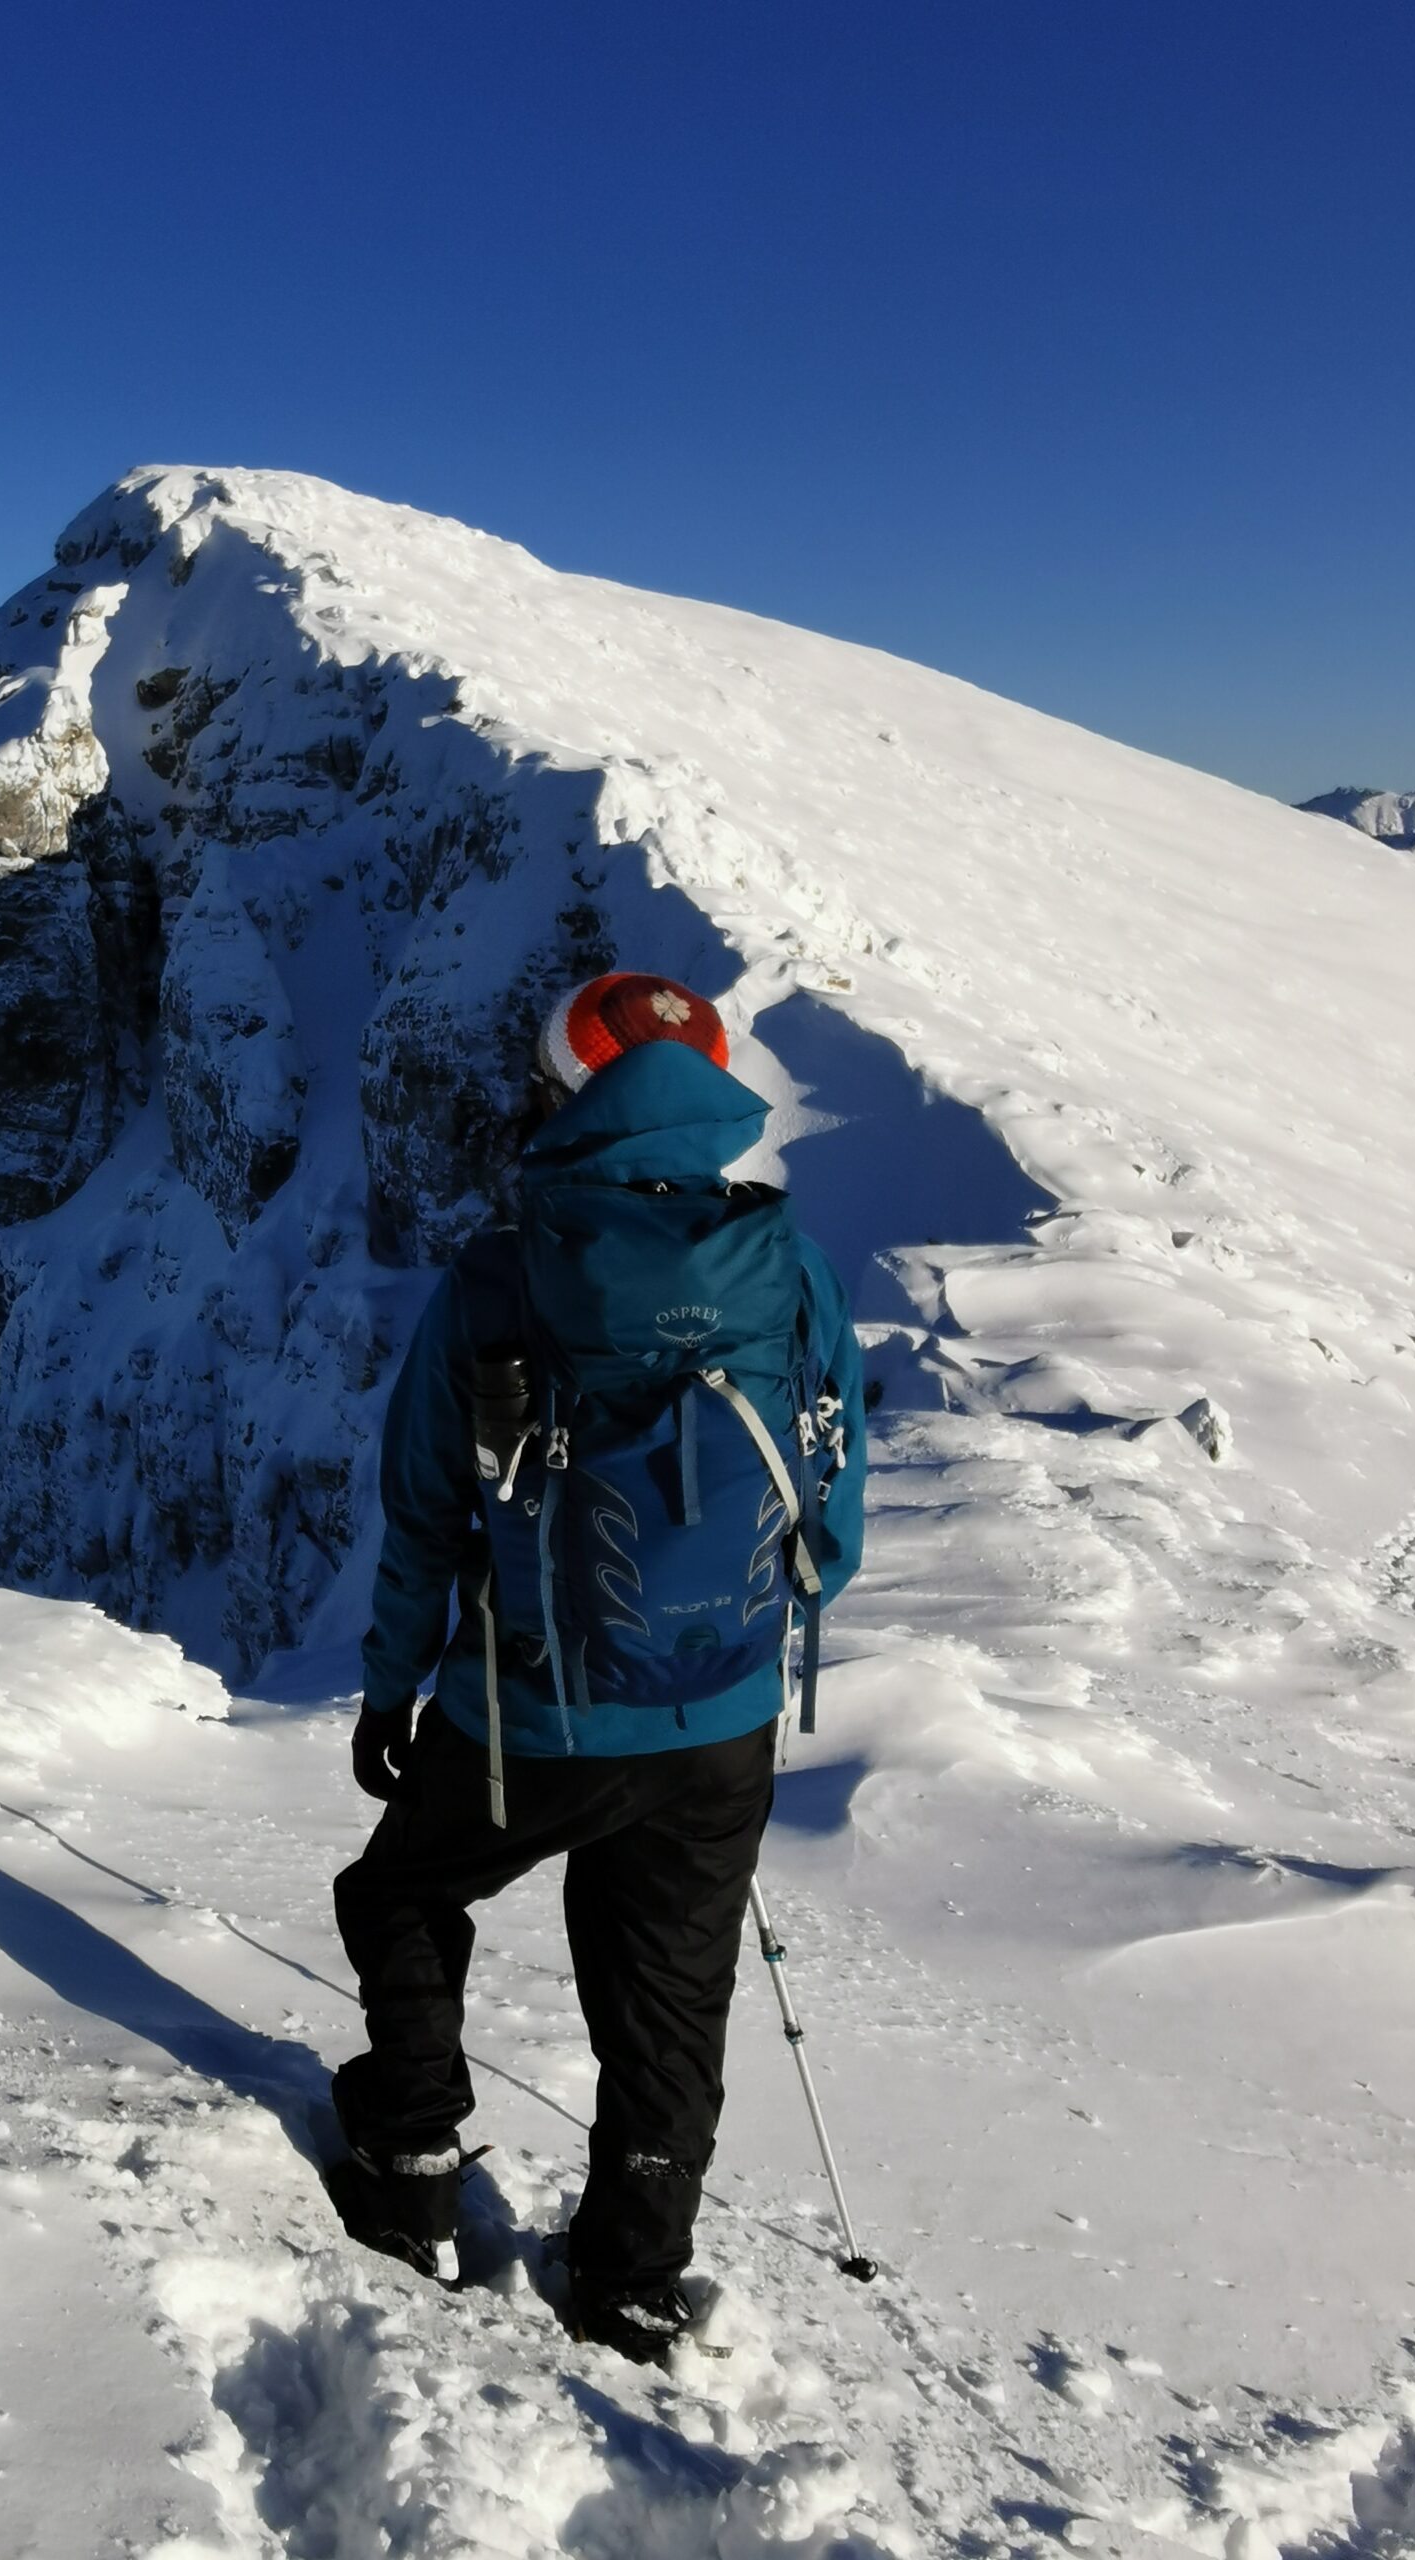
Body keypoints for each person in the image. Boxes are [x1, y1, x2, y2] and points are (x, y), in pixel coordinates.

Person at [327, 969, 867, 2363]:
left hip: (538, 1716)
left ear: (566, 1092)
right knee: (671, 1992)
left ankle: (410, 2158)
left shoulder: (504, 1275)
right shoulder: (787, 1264)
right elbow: (837, 1510)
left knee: (400, 1891)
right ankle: (632, 2274)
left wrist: (396, 1686)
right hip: (724, 1721)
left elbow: (426, 1510)